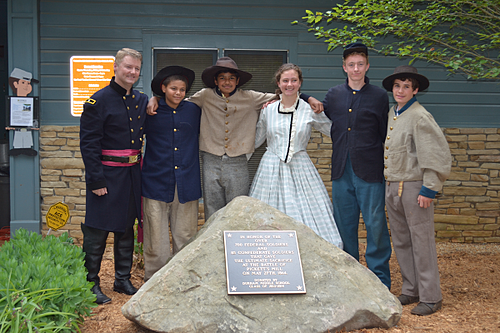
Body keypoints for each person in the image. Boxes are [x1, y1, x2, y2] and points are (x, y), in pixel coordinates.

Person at [147, 57, 323, 221]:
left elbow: (285, 94)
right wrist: (156, 98)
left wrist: (307, 97)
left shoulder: (251, 98)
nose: (227, 82)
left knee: (238, 210)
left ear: (238, 81)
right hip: (211, 159)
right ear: (215, 81)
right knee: (212, 208)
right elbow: (177, 100)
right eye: (222, 78)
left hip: (238, 162)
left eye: (231, 78)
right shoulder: (204, 96)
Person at [80, 48, 147, 304]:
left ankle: (121, 279)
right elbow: (89, 145)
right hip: (106, 176)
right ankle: (90, 282)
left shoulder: (141, 101)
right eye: (128, 67)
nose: (132, 72)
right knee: (97, 231)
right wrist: (96, 180)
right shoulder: (98, 101)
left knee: (125, 230)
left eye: (136, 68)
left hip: (131, 175)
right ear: (116, 67)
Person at [382, 65, 451, 316]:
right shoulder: (395, 112)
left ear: (415, 90)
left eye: (406, 86)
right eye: (397, 86)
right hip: (393, 186)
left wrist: (429, 189)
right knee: (402, 241)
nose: (401, 90)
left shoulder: (420, 116)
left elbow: (436, 154)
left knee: (422, 242)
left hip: (414, 188)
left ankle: (431, 296)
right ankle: (412, 289)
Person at [249, 63, 343, 248]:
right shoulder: (268, 109)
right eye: (285, 80)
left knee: (308, 212)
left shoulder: (309, 109)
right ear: (278, 83)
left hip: (300, 165)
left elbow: (334, 130)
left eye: (294, 80)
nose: (289, 84)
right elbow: (256, 139)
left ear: (300, 83)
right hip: (271, 167)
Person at [323, 43, 392, 289]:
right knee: (344, 226)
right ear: (344, 67)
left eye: (360, 64)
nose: (356, 69)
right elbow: (315, 112)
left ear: (367, 66)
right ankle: (350, 281)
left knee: (375, 226)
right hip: (341, 170)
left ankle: (380, 281)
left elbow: (385, 133)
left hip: (370, 171)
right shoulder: (333, 95)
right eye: (351, 65)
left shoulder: (379, 96)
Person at [141, 66, 202, 281]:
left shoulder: (194, 111)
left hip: (186, 182)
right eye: (173, 88)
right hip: (155, 181)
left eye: (182, 89)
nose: (178, 93)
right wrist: (151, 99)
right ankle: (155, 282)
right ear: (163, 88)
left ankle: (182, 280)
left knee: (185, 236)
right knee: (155, 238)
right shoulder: (150, 111)